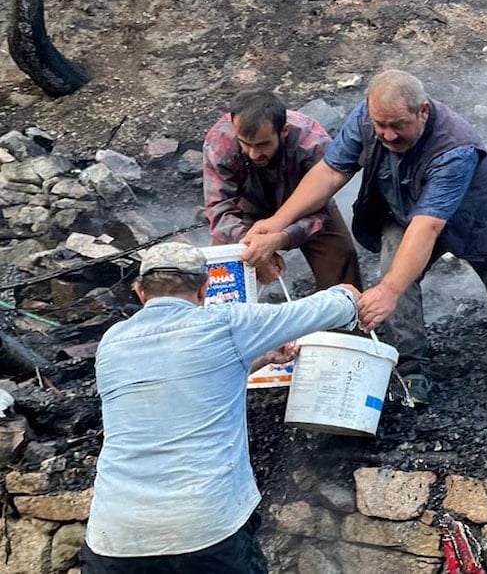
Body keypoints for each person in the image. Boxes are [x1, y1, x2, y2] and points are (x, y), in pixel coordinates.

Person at [245, 70, 487, 380]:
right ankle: (411, 366)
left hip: (475, 221)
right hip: (403, 212)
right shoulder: (368, 116)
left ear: (423, 112)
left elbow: (427, 227)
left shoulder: (454, 149)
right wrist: (276, 222)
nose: (387, 134)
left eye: (399, 126)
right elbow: (330, 173)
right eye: (380, 125)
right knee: (394, 270)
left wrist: (388, 291)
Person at [81, 242, 361, 573]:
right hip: (205, 532)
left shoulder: (111, 342)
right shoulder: (225, 323)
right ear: (204, 288)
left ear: (140, 292)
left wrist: (262, 359)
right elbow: (327, 309)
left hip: (114, 535)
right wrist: (347, 292)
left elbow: (188, 387)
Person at [203, 90, 363, 289]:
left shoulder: (312, 143)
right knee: (221, 274)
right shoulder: (220, 142)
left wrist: (282, 239)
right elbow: (219, 209)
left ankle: (347, 317)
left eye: (263, 145)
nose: (253, 154)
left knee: (341, 257)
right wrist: (253, 250)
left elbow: (320, 208)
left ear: (284, 131)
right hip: (246, 210)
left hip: (307, 206)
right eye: (246, 144)